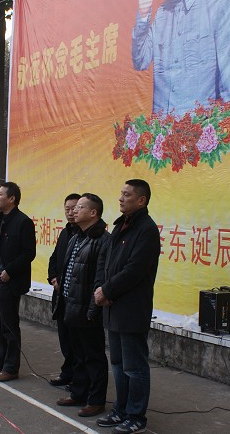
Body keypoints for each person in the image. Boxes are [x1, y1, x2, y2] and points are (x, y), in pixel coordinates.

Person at [94, 179, 160, 434]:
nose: (121, 198)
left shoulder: (147, 229)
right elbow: (107, 263)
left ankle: (136, 416)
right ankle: (120, 410)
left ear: (141, 200)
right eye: (121, 193)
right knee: (119, 364)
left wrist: (108, 291)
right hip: (113, 306)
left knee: (134, 366)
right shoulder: (120, 225)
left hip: (132, 307)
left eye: (127, 194)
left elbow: (135, 270)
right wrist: (103, 289)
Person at [55, 193, 109, 418]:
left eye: (80, 207)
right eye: (74, 207)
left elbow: (100, 278)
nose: (74, 211)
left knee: (93, 356)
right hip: (71, 304)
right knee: (77, 354)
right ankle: (79, 392)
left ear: (93, 213)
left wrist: (93, 310)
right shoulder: (76, 236)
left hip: (88, 308)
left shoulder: (103, 240)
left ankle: (96, 400)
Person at [0, 182, 36, 383]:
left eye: (1, 194)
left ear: (12, 198)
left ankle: (11, 367)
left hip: (8, 281)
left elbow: (29, 253)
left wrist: (10, 270)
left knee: (9, 326)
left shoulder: (23, 222)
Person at [47, 193, 81, 387]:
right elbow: (54, 258)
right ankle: (67, 372)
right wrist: (53, 278)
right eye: (67, 209)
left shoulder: (85, 235)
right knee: (64, 337)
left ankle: (78, 378)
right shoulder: (65, 232)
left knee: (77, 341)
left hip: (75, 296)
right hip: (60, 293)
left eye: (74, 208)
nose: (70, 212)